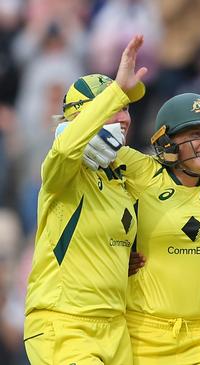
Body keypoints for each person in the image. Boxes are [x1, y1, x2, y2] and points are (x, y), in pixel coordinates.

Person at [23, 35, 146, 364]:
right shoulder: (63, 168)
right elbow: (65, 148)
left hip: (115, 327)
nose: (125, 118)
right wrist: (72, 127)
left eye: (127, 109)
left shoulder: (121, 171)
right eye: (115, 108)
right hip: (64, 323)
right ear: (82, 117)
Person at [116, 91, 200, 364]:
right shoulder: (141, 171)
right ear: (168, 142)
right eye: (194, 135)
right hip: (143, 333)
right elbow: (78, 146)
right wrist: (111, 255)